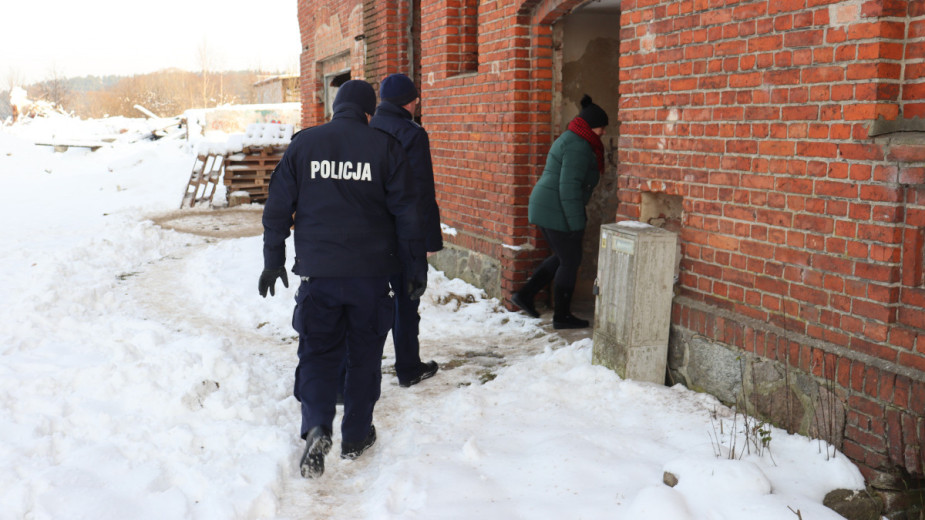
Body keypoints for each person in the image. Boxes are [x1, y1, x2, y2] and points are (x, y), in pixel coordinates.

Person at [258, 79, 426, 479]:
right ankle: (355, 435)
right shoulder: (385, 147)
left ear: (336, 108)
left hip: (320, 276)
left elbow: (277, 208)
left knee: (317, 353)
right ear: (369, 112)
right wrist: (414, 271)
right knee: (364, 356)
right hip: (370, 277)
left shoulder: (304, 145)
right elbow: (408, 215)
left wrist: (273, 259)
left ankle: (317, 424)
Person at [511, 94, 608, 330]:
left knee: (563, 257)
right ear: (590, 125)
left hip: (550, 205)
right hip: (555, 207)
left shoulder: (575, 139)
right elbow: (569, 187)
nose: (603, 132)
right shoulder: (578, 146)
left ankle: (525, 295)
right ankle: (562, 316)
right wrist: (577, 224)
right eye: (601, 127)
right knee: (570, 259)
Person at [370, 73, 442, 387]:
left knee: (369, 304)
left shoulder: (367, 129)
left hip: (370, 234)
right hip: (404, 234)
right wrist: (429, 238)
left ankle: (365, 370)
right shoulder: (412, 134)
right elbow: (421, 192)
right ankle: (408, 367)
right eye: (416, 98)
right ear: (409, 102)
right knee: (405, 300)